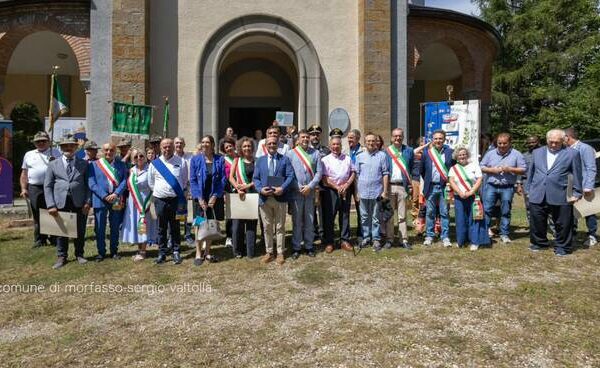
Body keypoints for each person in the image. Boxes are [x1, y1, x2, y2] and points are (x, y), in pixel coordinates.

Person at [526, 129, 582, 256]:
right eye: (551, 142)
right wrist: (528, 189)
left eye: (557, 142)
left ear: (563, 141)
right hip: (538, 191)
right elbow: (531, 172)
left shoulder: (572, 154)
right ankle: (539, 243)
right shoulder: (537, 152)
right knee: (537, 220)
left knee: (563, 222)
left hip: (561, 192)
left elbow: (577, 174)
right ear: (546, 140)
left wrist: (577, 192)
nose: (553, 145)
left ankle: (563, 247)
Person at [44, 135, 91, 269]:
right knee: (61, 230)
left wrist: (88, 202)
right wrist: (51, 205)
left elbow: (89, 184)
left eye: (71, 145)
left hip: (79, 201)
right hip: (60, 201)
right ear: (61, 148)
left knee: (80, 229)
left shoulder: (84, 163)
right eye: (65, 146)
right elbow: (48, 185)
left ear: (76, 147)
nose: (68, 148)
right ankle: (61, 256)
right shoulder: (53, 164)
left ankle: (80, 254)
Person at [253, 136, 294, 265]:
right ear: (265, 145)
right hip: (265, 198)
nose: (272, 145)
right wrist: (260, 190)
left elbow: (290, 176)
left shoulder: (285, 159)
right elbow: (255, 178)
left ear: (278, 145)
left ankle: (280, 252)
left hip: (280, 197)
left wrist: (282, 188)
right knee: (267, 226)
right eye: (269, 143)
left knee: (280, 226)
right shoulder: (260, 161)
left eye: (274, 143)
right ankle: (269, 252)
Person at [480, 133, 526, 243]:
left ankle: (504, 234)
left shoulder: (517, 154)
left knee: (505, 211)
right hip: (491, 185)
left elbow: (523, 169)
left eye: (504, 143)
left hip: (507, 187)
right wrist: (492, 170)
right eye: (499, 143)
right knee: (487, 210)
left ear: (510, 143)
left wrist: (510, 169)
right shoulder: (490, 153)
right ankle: (484, 232)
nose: (501, 145)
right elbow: (481, 166)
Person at [148, 138, 189, 264]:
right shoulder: (154, 164)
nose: (167, 149)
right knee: (161, 227)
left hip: (176, 200)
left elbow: (184, 180)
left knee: (175, 226)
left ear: (173, 147)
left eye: (169, 146)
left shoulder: (181, 162)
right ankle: (162, 253)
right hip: (160, 200)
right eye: (164, 147)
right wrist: (162, 192)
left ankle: (176, 251)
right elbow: (151, 183)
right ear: (160, 148)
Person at [190, 135, 226, 266]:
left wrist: (215, 196)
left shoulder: (219, 159)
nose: (205, 144)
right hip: (199, 199)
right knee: (199, 224)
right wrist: (199, 198)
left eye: (207, 142)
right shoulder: (195, 160)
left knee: (210, 223)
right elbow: (193, 180)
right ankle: (198, 252)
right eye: (203, 142)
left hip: (213, 199)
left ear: (212, 144)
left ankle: (207, 251)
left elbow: (223, 179)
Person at [20, 131, 60, 248]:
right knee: (37, 214)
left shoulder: (56, 152)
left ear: (48, 142)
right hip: (34, 188)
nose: (41, 143)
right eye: (38, 141)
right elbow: (24, 173)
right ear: (34, 143)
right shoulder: (28, 154)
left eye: (43, 141)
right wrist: (23, 188)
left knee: (53, 212)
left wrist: (55, 162)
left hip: (52, 187)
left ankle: (54, 238)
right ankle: (40, 239)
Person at [286, 129, 323, 259]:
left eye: (307, 137)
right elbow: (288, 174)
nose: (305, 139)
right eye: (303, 137)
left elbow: (319, 173)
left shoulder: (316, 153)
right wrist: (297, 187)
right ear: (298, 140)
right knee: (297, 221)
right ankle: (296, 247)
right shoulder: (290, 154)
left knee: (309, 220)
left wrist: (310, 186)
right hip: (296, 192)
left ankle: (309, 246)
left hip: (310, 192)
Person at [88, 143, 128, 261]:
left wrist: (116, 194)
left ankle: (114, 251)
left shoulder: (121, 165)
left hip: (116, 199)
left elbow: (125, 181)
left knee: (115, 226)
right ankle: (101, 252)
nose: (108, 152)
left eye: (111, 150)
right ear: (102, 151)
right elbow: (92, 183)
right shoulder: (94, 165)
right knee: (99, 227)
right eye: (106, 150)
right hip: (100, 200)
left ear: (115, 151)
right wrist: (105, 196)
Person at [448, 147, 490, 250]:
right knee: (460, 219)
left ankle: (475, 241)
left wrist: (471, 192)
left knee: (474, 219)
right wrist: (460, 192)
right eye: (460, 155)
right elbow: (451, 181)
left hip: (473, 197)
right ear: (456, 157)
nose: (462, 156)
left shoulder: (474, 166)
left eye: (464, 154)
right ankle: (461, 241)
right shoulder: (453, 168)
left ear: (467, 155)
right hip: (459, 197)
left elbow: (480, 179)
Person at [418, 130, 454, 247]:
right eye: (436, 139)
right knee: (429, 213)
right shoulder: (426, 153)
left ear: (444, 140)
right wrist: (429, 180)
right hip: (431, 187)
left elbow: (454, 169)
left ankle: (445, 236)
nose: (438, 141)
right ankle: (429, 236)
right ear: (432, 140)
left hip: (445, 187)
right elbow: (422, 170)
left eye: (440, 138)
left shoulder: (450, 152)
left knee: (444, 213)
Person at [354, 133, 389, 251]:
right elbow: (356, 175)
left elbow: (385, 174)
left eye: (373, 141)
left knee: (375, 217)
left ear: (376, 142)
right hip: (363, 191)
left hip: (377, 192)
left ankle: (376, 239)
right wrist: (356, 192)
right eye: (368, 141)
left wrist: (384, 191)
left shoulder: (382, 156)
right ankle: (366, 237)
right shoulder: (359, 157)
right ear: (365, 142)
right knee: (364, 217)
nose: (370, 143)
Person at [321, 136, 356, 253]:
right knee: (330, 216)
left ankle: (344, 240)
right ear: (330, 146)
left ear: (341, 146)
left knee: (345, 215)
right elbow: (325, 178)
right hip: (331, 190)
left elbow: (353, 172)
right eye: (334, 144)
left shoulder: (348, 158)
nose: (336, 146)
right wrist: (337, 187)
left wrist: (346, 185)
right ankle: (329, 242)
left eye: (338, 144)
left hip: (345, 189)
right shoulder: (325, 159)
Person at [121, 149, 157, 261]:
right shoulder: (131, 170)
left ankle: (143, 251)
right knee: (137, 226)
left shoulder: (150, 168)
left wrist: (149, 202)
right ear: (133, 159)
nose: (139, 158)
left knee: (144, 225)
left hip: (145, 202)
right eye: (136, 157)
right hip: (133, 203)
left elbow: (154, 186)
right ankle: (139, 248)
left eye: (141, 156)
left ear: (145, 157)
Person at [564, 127, 598, 246]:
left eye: (563, 137)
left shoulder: (585, 148)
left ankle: (592, 235)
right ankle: (572, 234)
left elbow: (591, 168)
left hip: (584, 186)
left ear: (568, 137)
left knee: (588, 211)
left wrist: (588, 186)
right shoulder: (566, 149)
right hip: (570, 185)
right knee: (571, 211)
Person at [382, 128, 414, 249]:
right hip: (389, 186)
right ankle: (389, 240)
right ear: (391, 138)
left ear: (403, 137)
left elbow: (410, 168)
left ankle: (404, 239)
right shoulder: (386, 152)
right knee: (389, 215)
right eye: (395, 136)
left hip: (402, 186)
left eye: (400, 136)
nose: (398, 138)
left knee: (402, 215)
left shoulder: (409, 151)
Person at [228, 137, 258, 258]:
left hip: (252, 195)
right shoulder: (237, 160)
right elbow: (231, 177)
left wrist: (249, 185)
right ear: (241, 148)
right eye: (244, 146)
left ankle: (250, 250)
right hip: (239, 195)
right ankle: (238, 251)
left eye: (249, 146)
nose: (247, 148)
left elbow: (259, 178)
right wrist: (238, 188)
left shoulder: (257, 161)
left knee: (251, 223)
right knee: (237, 225)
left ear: (252, 147)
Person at [308, 124, 330, 242]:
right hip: (310, 184)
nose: (315, 136)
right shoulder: (306, 150)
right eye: (312, 134)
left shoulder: (326, 150)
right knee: (311, 210)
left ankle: (323, 232)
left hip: (323, 185)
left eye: (317, 134)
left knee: (323, 210)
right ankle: (313, 231)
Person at [516, 135, 541, 227]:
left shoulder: (545, 153)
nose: (531, 144)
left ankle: (551, 227)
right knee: (529, 206)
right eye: (529, 142)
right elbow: (520, 170)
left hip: (542, 183)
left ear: (538, 142)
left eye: (533, 142)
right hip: (528, 183)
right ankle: (533, 227)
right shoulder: (524, 156)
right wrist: (519, 184)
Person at [174, 136, 194, 245]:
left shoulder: (190, 157)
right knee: (176, 214)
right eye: (176, 143)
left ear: (184, 144)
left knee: (189, 214)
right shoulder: (171, 158)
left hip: (188, 189)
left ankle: (188, 235)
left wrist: (190, 190)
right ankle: (176, 235)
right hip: (175, 191)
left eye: (181, 143)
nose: (178, 145)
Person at [220, 136, 237, 248]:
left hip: (240, 189)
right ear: (224, 149)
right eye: (227, 147)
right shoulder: (222, 160)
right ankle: (229, 237)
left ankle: (239, 235)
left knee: (240, 214)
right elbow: (221, 177)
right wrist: (224, 193)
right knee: (230, 215)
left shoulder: (239, 158)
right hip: (228, 190)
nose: (229, 148)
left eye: (230, 145)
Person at [346, 129, 363, 241]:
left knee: (360, 209)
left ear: (358, 138)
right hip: (347, 183)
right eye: (348, 138)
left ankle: (361, 233)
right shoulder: (345, 151)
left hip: (359, 183)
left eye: (351, 138)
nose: (349, 140)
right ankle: (346, 235)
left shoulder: (364, 151)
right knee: (345, 209)